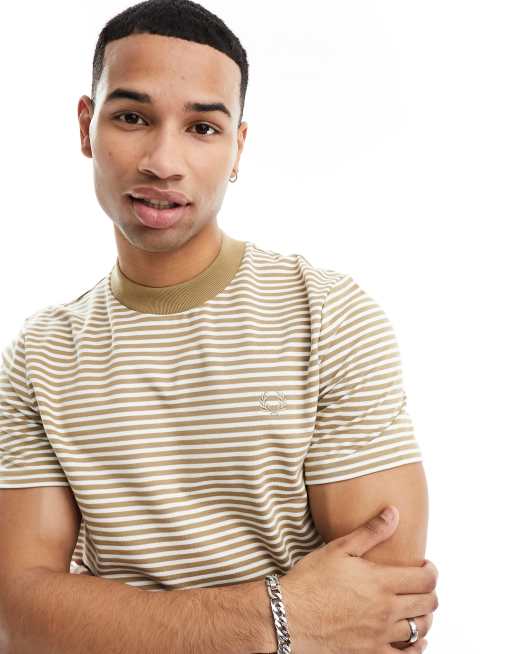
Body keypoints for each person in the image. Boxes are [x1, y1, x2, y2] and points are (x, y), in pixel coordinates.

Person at [0, 1, 437, 652]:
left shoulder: (328, 317)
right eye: (132, 117)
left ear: (237, 148)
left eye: (202, 128)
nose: (162, 161)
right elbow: (19, 619)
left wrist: (107, 620)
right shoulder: (41, 356)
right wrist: (277, 617)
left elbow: (379, 618)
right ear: (87, 126)